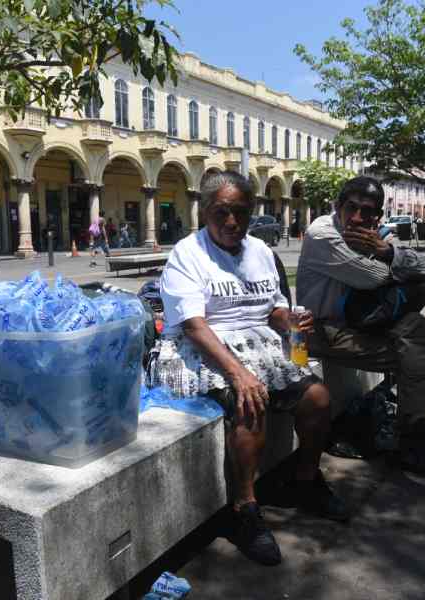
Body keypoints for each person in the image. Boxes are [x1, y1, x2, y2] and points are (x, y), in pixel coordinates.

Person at [148, 170, 348, 567]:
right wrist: (239, 373)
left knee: (319, 399)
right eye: (222, 212)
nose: (231, 222)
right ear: (205, 211)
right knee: (250, 402)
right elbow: (194, 326)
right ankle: (244, 509)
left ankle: (305, 481)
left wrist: (289, 322)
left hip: (262, 344)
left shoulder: (259, 250)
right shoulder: (187, 254)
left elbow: (271, 307)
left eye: (240, 212)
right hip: (206, 347)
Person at [296, 176, 425, 477]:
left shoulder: (373, 235)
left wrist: (387, 252)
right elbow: (374, 278)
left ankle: (415, 431)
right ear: (338, 206)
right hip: (321, 331)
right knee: (414, 355)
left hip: (359, 322)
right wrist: (387, 257)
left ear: (379, 215)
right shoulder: (323, 234)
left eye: (369, 212)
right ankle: (413, 437)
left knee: (414, 326)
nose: (359, 218)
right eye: (352, 208)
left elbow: (424, 269)